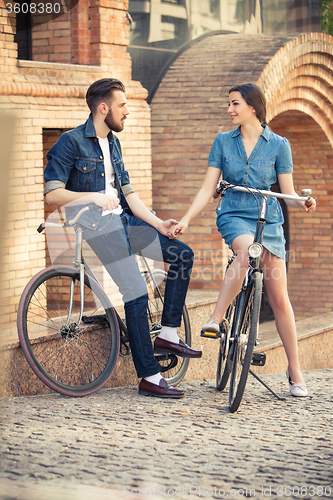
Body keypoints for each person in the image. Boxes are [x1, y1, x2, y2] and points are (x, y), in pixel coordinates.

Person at [44, 78, 202, 399]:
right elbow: (52, 192)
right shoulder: (71, 142)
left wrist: (159, 223)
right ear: (104, 109)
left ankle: (169, 333)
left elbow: (128, 193)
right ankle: (149, 375)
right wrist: (90, 199)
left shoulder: (113, 143)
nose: (127, 112)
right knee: (135, 289)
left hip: (125, 223)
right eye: (122, 105)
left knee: (182, 254)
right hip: (97, 227)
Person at [170, 83, 316, 397]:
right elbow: (208, 187)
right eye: (229, 104)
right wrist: (186, 219)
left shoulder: (279, 144)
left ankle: (295, 370)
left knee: (279, 299)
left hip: (269, 218)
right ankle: (216, 319)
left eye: (234, 104)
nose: (229, 109)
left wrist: (301, 202)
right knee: (246, 252)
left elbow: (287, 193)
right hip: (235, 213)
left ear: (252, 107)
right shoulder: (223, 141)